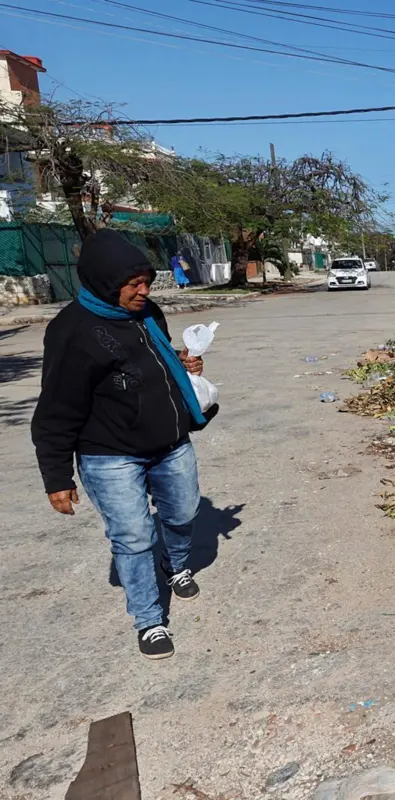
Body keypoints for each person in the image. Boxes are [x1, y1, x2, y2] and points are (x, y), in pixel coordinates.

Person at [32, 229, 218, 660]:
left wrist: (183, 361)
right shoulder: (71, 331)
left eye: (147, 281)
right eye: (133, 284)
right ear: (103, 281)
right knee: (132, 537)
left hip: (170, 442)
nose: (144, 291)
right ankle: (149, 620)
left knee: (184, 512)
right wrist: (56, 475)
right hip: (109, 453)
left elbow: (154, 360)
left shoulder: (148, 312)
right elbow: (57, 407)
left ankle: (175, 563)